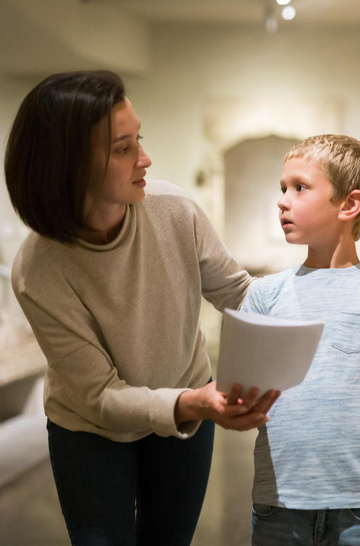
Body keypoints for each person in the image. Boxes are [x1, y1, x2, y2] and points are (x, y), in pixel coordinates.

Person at [4, 70, 280, 545]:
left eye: (140, 140)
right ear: (68, 165)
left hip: (183, 411)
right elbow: (99, 396)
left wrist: (329, 279)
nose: (145, 159)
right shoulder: (39, 268)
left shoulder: (175, 210)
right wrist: (191, 402)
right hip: (90, 428)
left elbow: (238, 291)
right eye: (122, 147)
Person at [238, 134, 360, 545]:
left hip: (359, 509)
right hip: (281, 504)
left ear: (350, 204)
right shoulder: (264, 294)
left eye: (300, 187)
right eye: (283, 188)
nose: (283, 200)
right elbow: (243, 399)